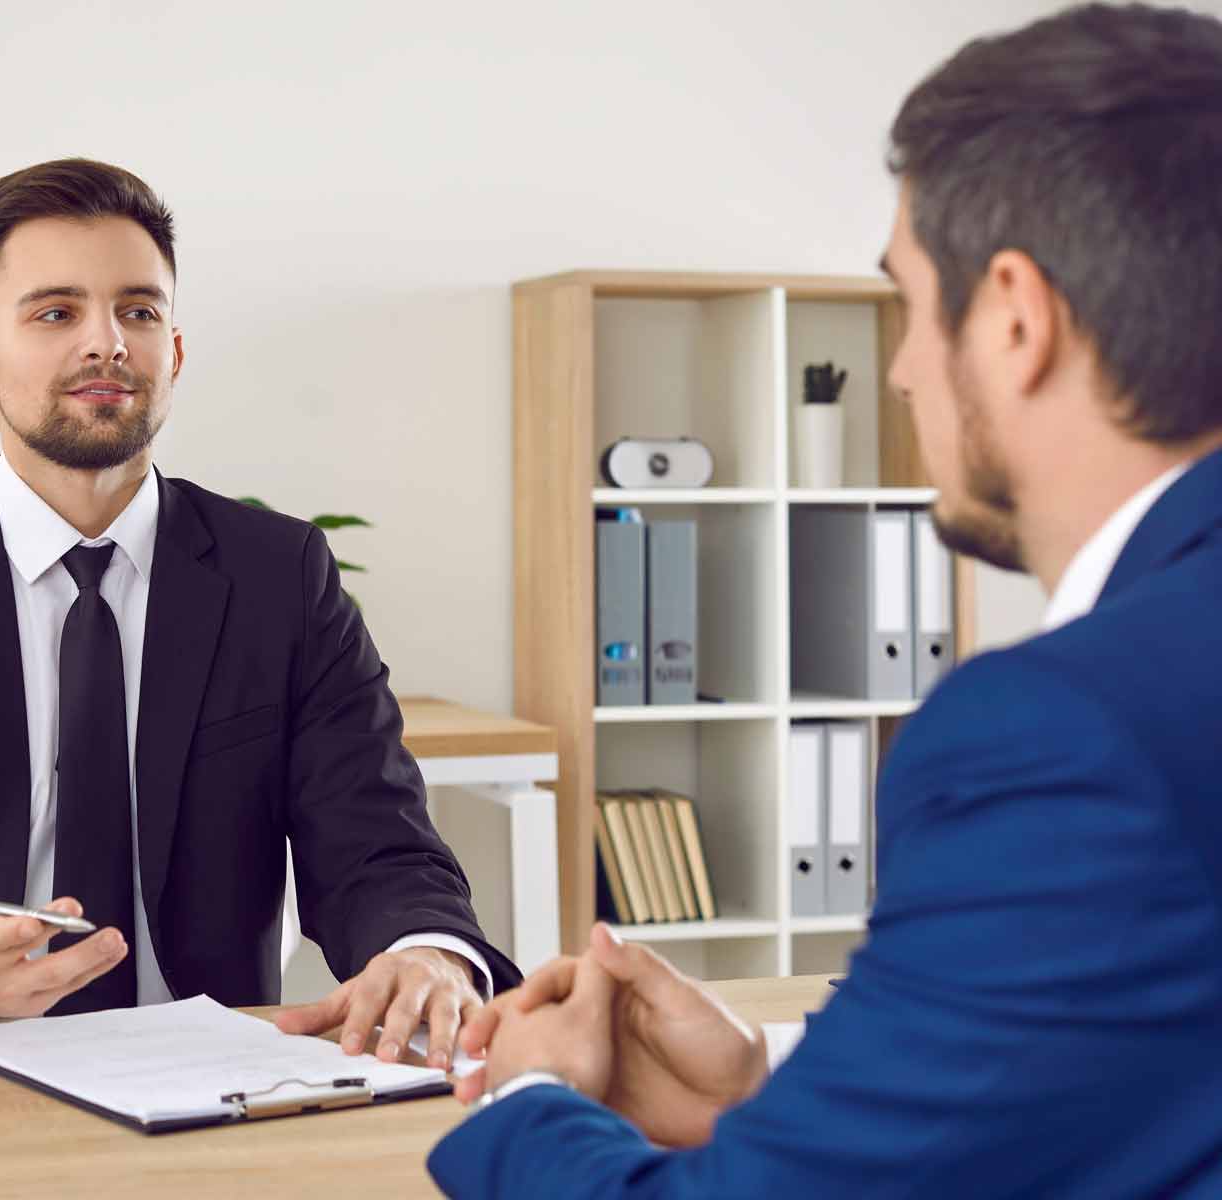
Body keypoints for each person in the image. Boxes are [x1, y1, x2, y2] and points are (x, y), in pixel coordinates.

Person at [429, 4, 1222, 1195]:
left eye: (910, 304)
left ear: (1014, 316)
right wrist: (770, 1079)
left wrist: (530, 1093)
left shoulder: (1063, 729)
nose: (901, 371)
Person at [0, 158, 518, 1056]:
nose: (106, 343)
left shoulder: (279, 576)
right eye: (55, 312)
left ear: (174, 350)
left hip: (212, 1074)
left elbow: (378, 844)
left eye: (139, 311)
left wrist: (427, 954)